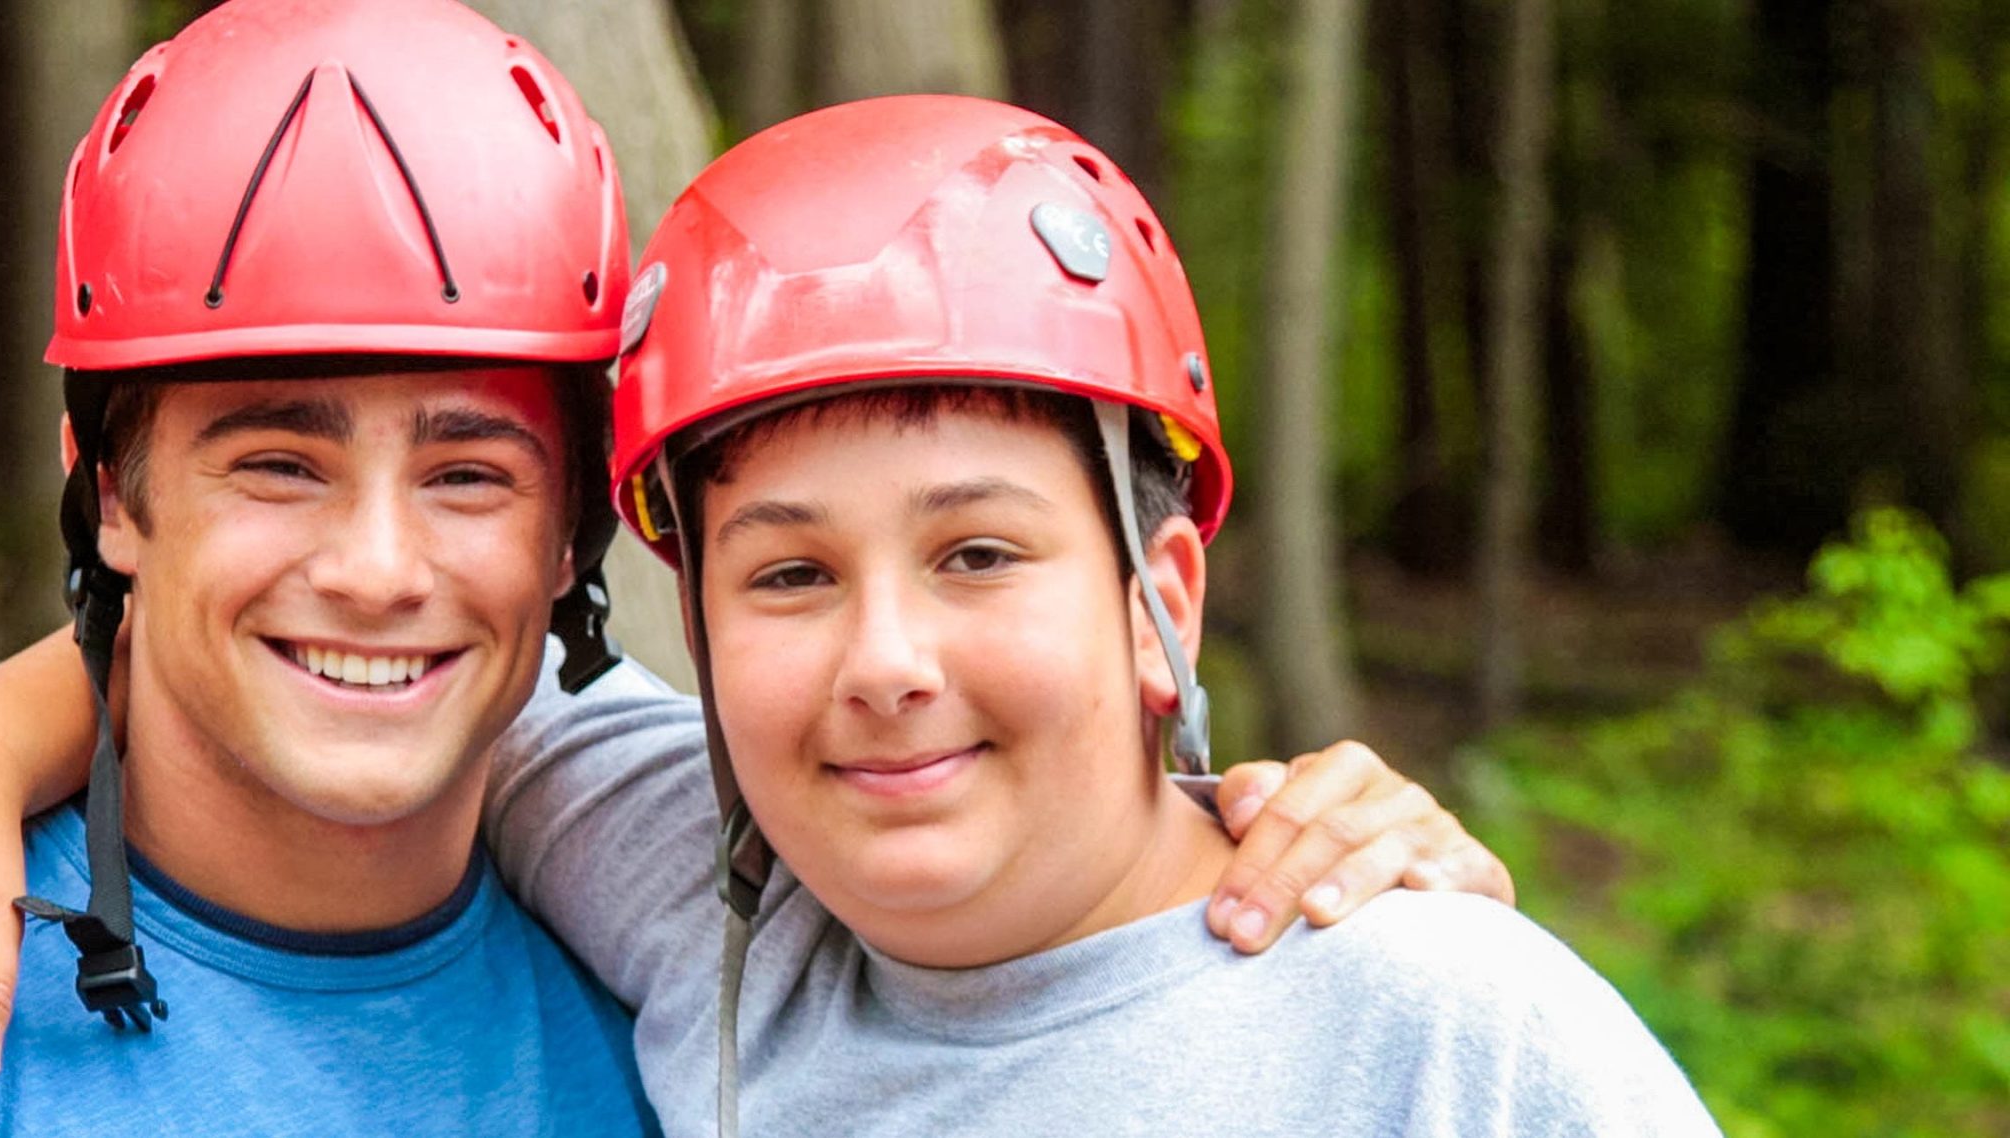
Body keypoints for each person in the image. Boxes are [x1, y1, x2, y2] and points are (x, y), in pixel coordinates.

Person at [0, 3, 1515, 1134]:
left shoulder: (667, 938)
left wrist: (1309, 849)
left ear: (569, 533)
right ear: (110, 494)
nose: (382, 566)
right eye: (275, 458)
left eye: (469, 469)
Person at [495, 93, 1717, 1133]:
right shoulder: (704, 915)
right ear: (699, 637)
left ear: (1158, 604)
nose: (882, 662)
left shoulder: (1434, 1025)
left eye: (974, 553)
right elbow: (442, 681)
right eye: (790, 576)